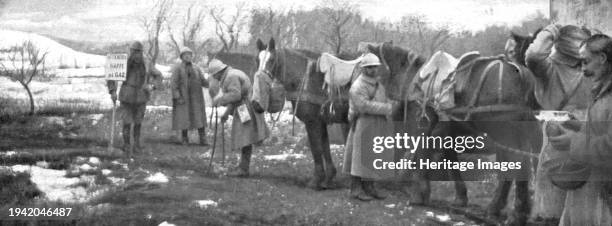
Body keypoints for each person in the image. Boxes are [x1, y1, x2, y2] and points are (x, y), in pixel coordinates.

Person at [524, 24, 592, 224]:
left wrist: (550, 30)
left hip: (558, 135)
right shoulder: (596, 66)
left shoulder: (548, 68)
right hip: (588, 135)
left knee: (553, 204)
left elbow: (534, 54)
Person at [548, 34, 612, 226]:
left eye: (586, 62)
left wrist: (572, 142)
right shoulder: (602, 90)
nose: (583, 69)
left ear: (602, 59)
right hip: (594, 184)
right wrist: (576, 124)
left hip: (604, 191)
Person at [343, 53, 398, 201]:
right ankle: (355, 189)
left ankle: (370, 187)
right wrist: (388, 108)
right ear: (364, 69)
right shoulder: (358, 86)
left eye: (374, 67)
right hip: (363, 122)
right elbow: (363, 106)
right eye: (369, 67)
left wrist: (391, 103)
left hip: (377, 123)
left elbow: (383, 99)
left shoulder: (378, 84)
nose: (373, 70)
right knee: (359, 157)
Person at [209, 59, 269, 177]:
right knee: (245, 137)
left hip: (245, 108)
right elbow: (237, 95)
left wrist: (219, 100)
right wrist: (227, 113)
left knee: (245, 138)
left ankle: (244, 169)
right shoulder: (233, 74)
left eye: (215, 76)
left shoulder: (231, 77)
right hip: (244, 106)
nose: (215, 78)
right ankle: (243, 166)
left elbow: (235, 96)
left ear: (218, 72)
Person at [107, 41, 162, 153]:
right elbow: (111, 75)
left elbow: (159, 75)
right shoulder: (123, 62)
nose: (136, 55)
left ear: (141, 53)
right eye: (134, 52)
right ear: (131, 52)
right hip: (127, 96)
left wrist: (152, 86)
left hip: (141, 96)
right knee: (127, 121)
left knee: (138, 122)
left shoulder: (146, 64)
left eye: (139, 52)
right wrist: (112, 90)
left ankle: (136, 145)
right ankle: (127, 145)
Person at [170, 47, 209, 145]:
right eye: (185, 54)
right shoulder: (177, 68)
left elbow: (203, 80)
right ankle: (184, 138)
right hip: (184, 97)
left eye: (189, 54)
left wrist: (211, 84)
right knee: (184, 118)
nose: (188, 56)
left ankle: (202, 139)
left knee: (199, 118)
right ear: (182, 57)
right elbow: (174, 84)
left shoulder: (197, 68)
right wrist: (177, 96)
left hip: (196, 97)